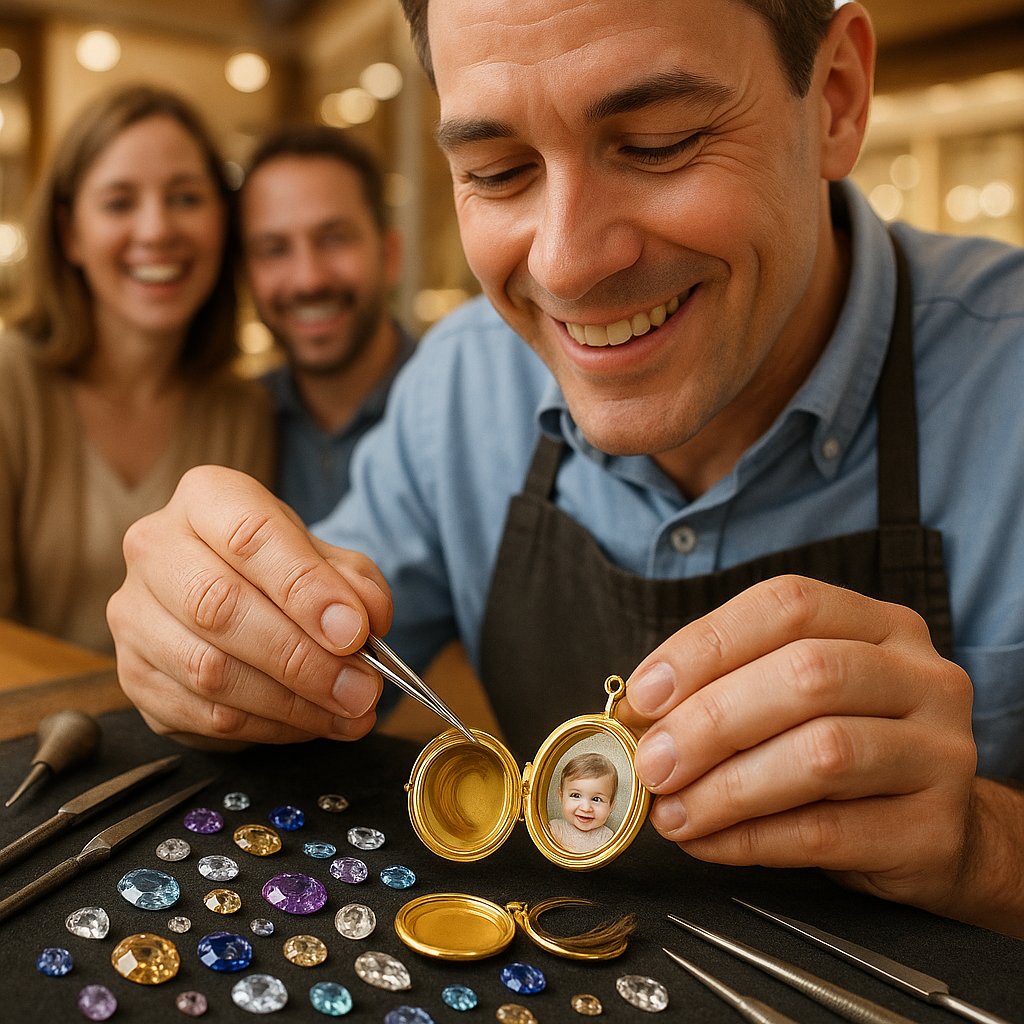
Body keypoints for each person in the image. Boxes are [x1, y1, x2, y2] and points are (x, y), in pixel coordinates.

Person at [107, 0, 1024, 939]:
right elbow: (323, 641)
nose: (568, 264)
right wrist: (221, 636)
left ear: (834, 99)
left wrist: (984, 846)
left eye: (660, 143)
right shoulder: (458, 386)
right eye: (497, 173)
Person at [0, 84, 274, 653]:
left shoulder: (243, 411)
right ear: (70, 233)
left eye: (185, 198)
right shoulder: (9, 382)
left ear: (222, 224)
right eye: (119, 203)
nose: (155, 230)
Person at [240, 126, 416, 526]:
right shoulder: (237, 423)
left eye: (334, 238)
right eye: (274, 249)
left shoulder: (456, 405)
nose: (309, 279)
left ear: (389, 255)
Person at [550, 752, 618, 853]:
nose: (586, 808)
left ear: (611, 806)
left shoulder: (607, 838)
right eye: (576, 796)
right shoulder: (554, 830)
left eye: (596, 799)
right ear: (561, 796)